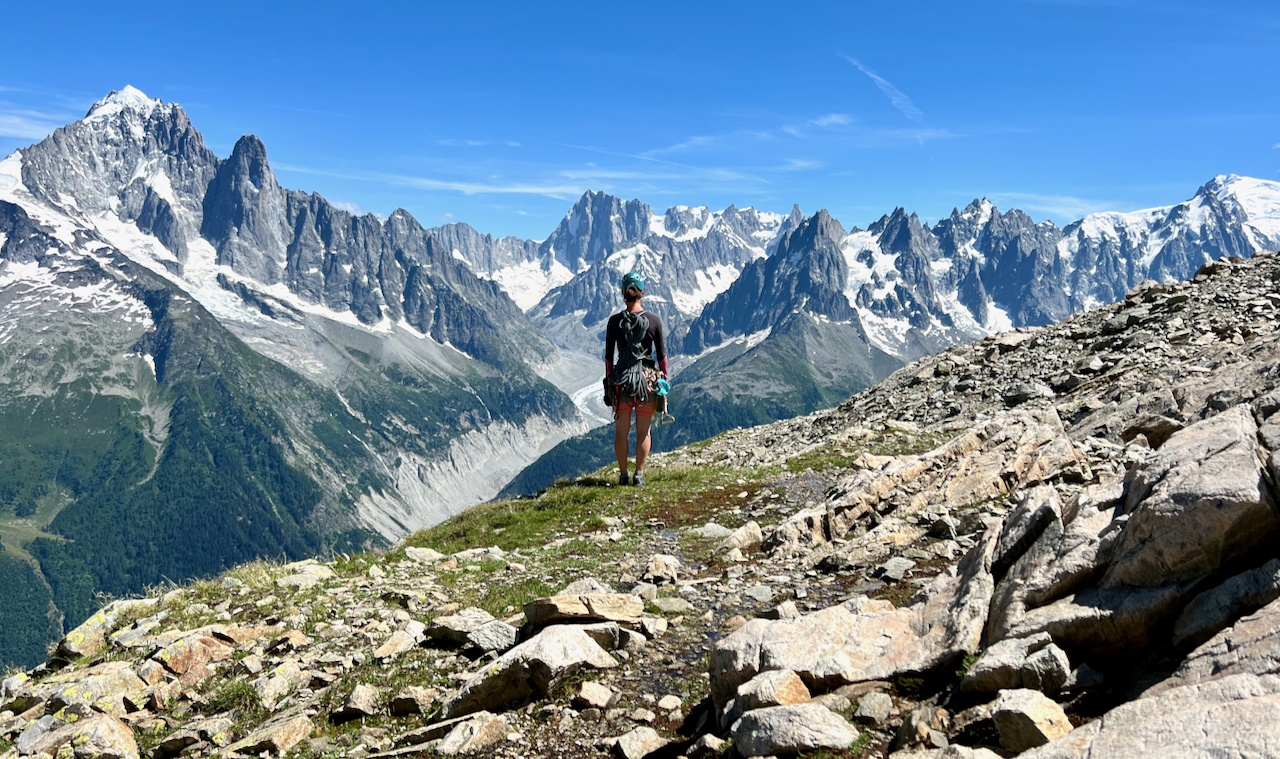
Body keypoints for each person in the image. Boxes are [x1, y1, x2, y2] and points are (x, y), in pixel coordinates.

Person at [605, 271, 667, 486]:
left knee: (621, 432)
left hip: (622, 381)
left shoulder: (614, 321)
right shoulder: (654, 321)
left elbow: (609, 357)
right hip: (646, 382)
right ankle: (638, 475)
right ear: (643, 292)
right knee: (644, 431)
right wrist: (664, 380)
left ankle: (623, 475)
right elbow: (662, 356)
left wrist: (609, 382)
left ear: (623, 293)